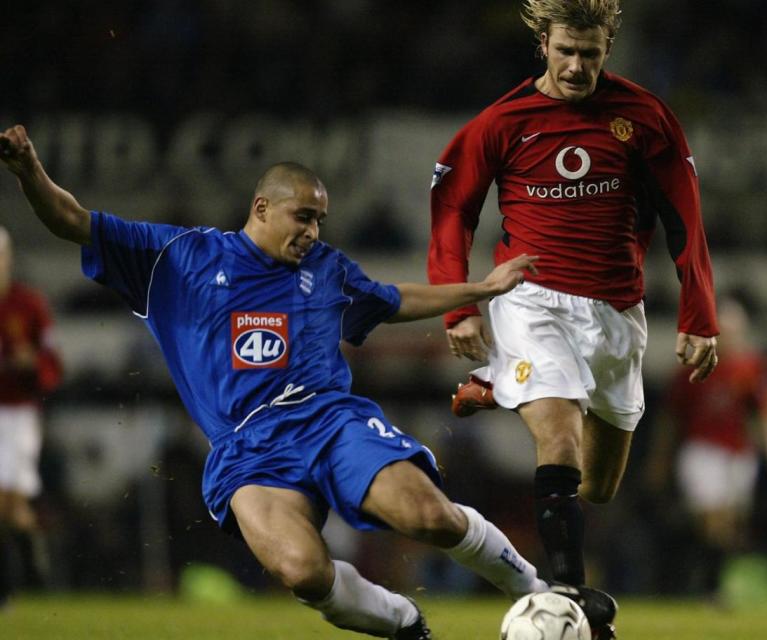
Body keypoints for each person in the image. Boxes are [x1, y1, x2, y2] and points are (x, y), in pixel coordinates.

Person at [0, 123, 594, 639]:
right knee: (302, 571)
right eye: (303, 216)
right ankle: (403, 623)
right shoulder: (178, 257)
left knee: (428, 517)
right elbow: (72, 220)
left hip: (329, 421)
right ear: (261, 208)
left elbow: (392, 300)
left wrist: (479, 290)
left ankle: (542, 591)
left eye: (320, 220)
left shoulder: (327, 269)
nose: (313, 230)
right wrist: (30, 170)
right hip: (245, 450)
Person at [427, 0, 718, 626]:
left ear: (607, 48)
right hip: (532, 302)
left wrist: (699, 313)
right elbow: (453, 211)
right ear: (544, 45)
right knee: (558, 440)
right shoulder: (504, 121)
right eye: (566, 52)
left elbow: (683, 215)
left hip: (617, 312)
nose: (577, 66)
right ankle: (567, 601)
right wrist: (460, 307)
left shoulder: (643, 116)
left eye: (589, 54)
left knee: (597, 484)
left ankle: (500, 384)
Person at [645, 297, 767, 597]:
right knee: (712, 518)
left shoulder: (751, 368)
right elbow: (671, 418)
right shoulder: (691, 367)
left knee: (731, 523)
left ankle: (714, 580)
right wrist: (660, 458)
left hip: (738, 453)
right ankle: (712, 583)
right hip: (701, 451)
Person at [0, 225, 63, 606]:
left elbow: (53, 363)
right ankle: (26, 559)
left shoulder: (29, 305)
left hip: (17, 415)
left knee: (7, 502)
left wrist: (32, 365)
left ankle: (16, 575)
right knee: (11, 507)